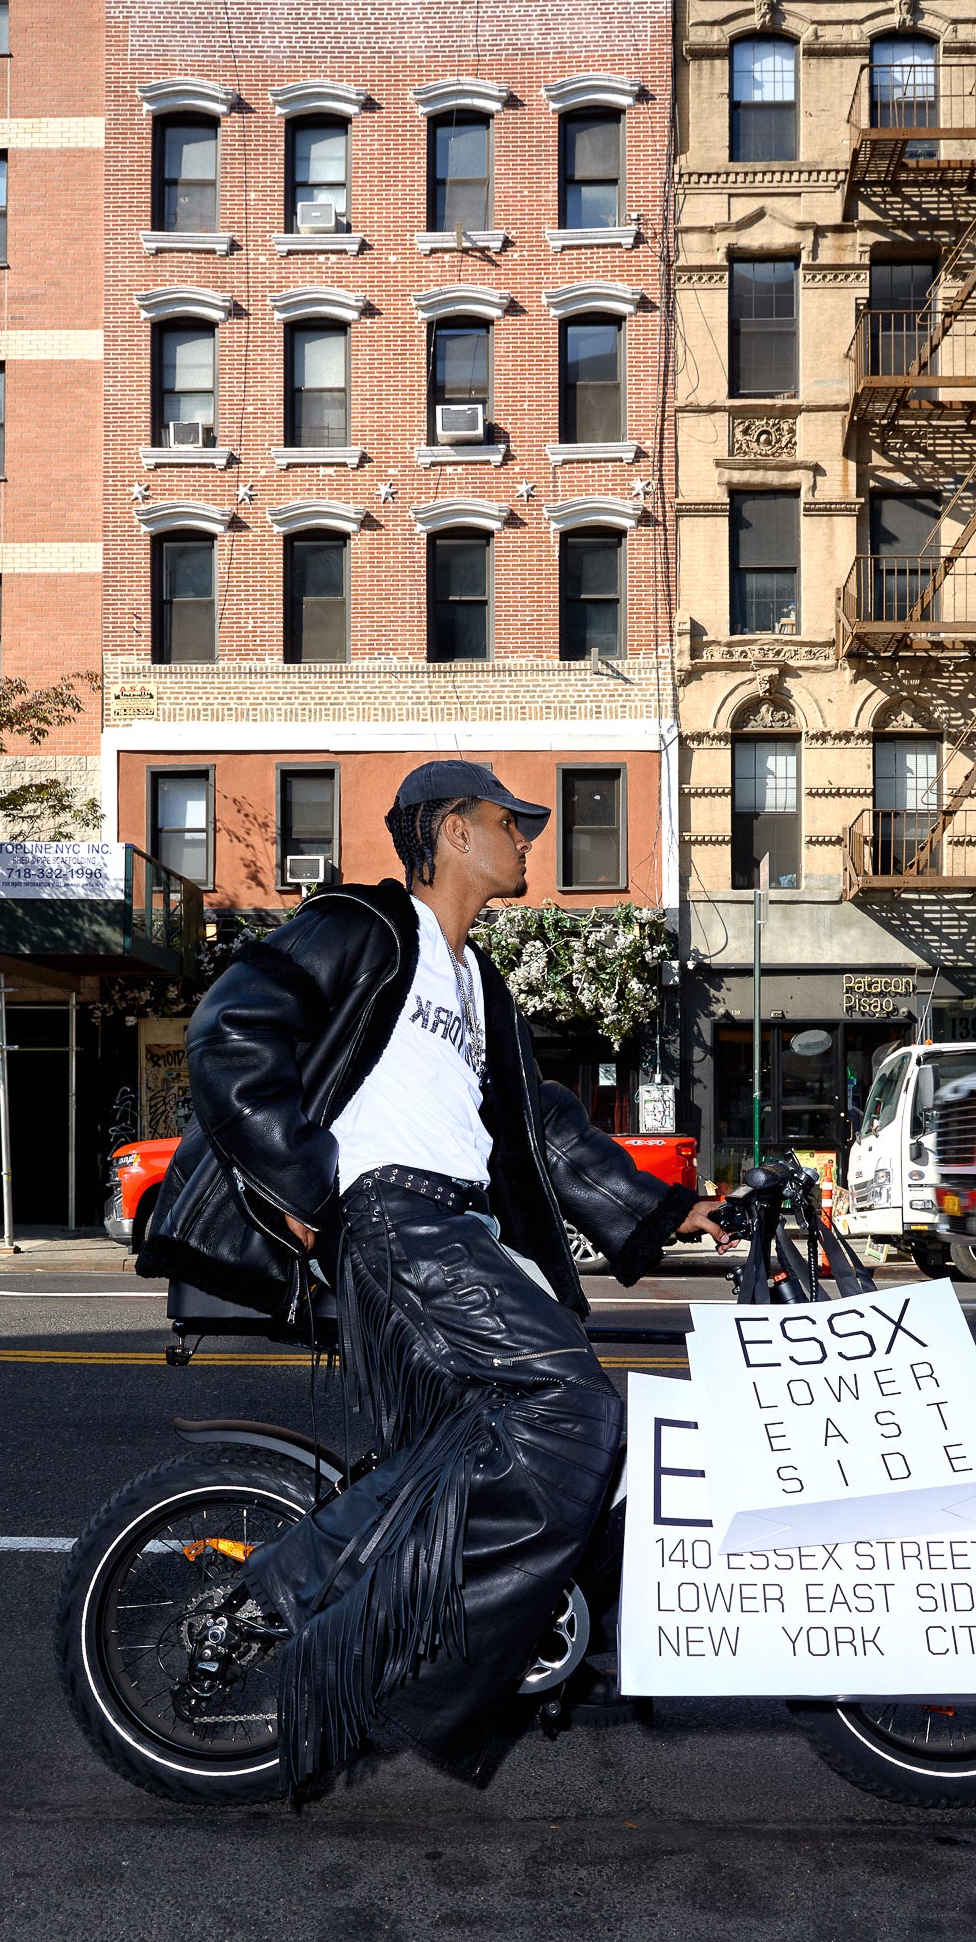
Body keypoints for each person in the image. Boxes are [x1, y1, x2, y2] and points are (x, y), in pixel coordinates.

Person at [140, 760, 729, 1795]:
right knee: (570, 1407)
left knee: (520, 1441)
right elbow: (232, 1027)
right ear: (453, 830)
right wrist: (307, 1177)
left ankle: (444, 1622)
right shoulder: (367, 929)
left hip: (461, 1227)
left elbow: (540, 1125)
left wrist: (669, 1208)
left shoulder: (475, 983)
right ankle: (368, 1635)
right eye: (515, 820)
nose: (531, 838)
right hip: (396, 1218)